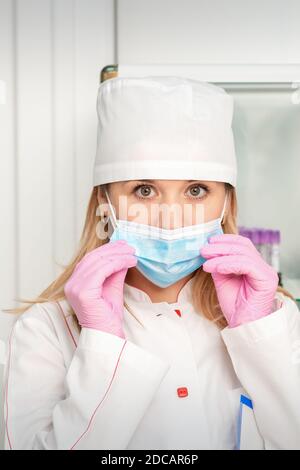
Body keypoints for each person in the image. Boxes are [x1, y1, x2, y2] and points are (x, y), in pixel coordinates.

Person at [3, 76, 300, 450]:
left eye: (196, 191)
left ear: (226, 204)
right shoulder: (46, 330)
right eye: (144, 190)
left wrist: (258, 335)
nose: (167, 216)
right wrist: (102, 342)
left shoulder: (277, 320)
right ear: (105, 204)